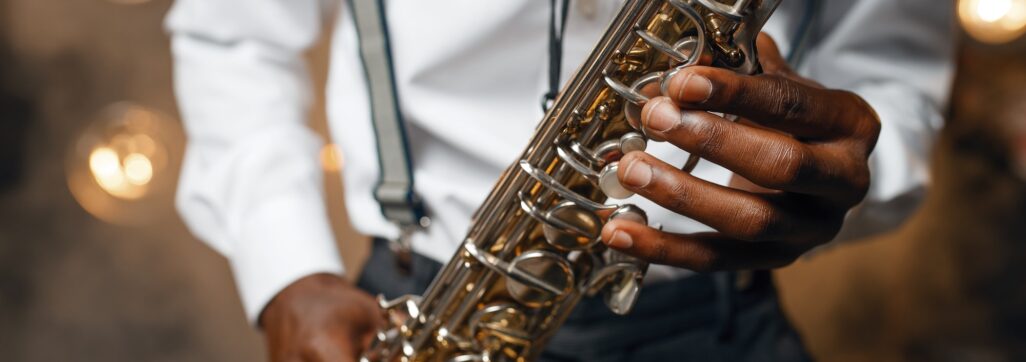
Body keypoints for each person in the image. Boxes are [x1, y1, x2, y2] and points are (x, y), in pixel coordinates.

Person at [166, 0, 953, 360]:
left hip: (718, 320)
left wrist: (849, 172)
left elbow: (892, 77)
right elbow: (233, 37)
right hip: (421, 305)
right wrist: (286, 271)